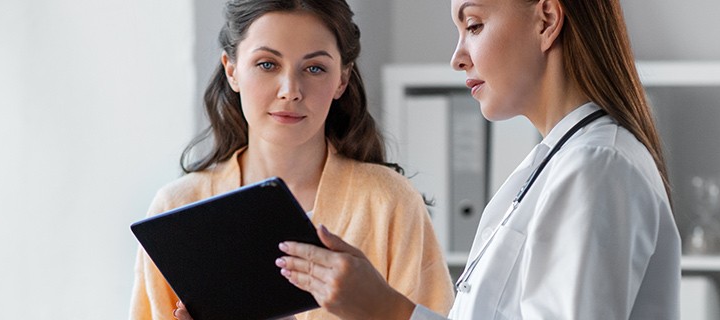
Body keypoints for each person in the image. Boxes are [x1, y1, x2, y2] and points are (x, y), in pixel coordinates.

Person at [273, 0, 680, 318]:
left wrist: (386, 310)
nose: (458, 57)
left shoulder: (596, 165)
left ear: (547, 20)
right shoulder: (557, 162)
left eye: (473, 26)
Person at [130, 0, 455, 319]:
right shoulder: (176, 211)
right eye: (267, 64)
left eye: (314, 68)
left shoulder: (390, 203)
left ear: (341, 79)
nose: (290, 90)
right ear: (232, 70)